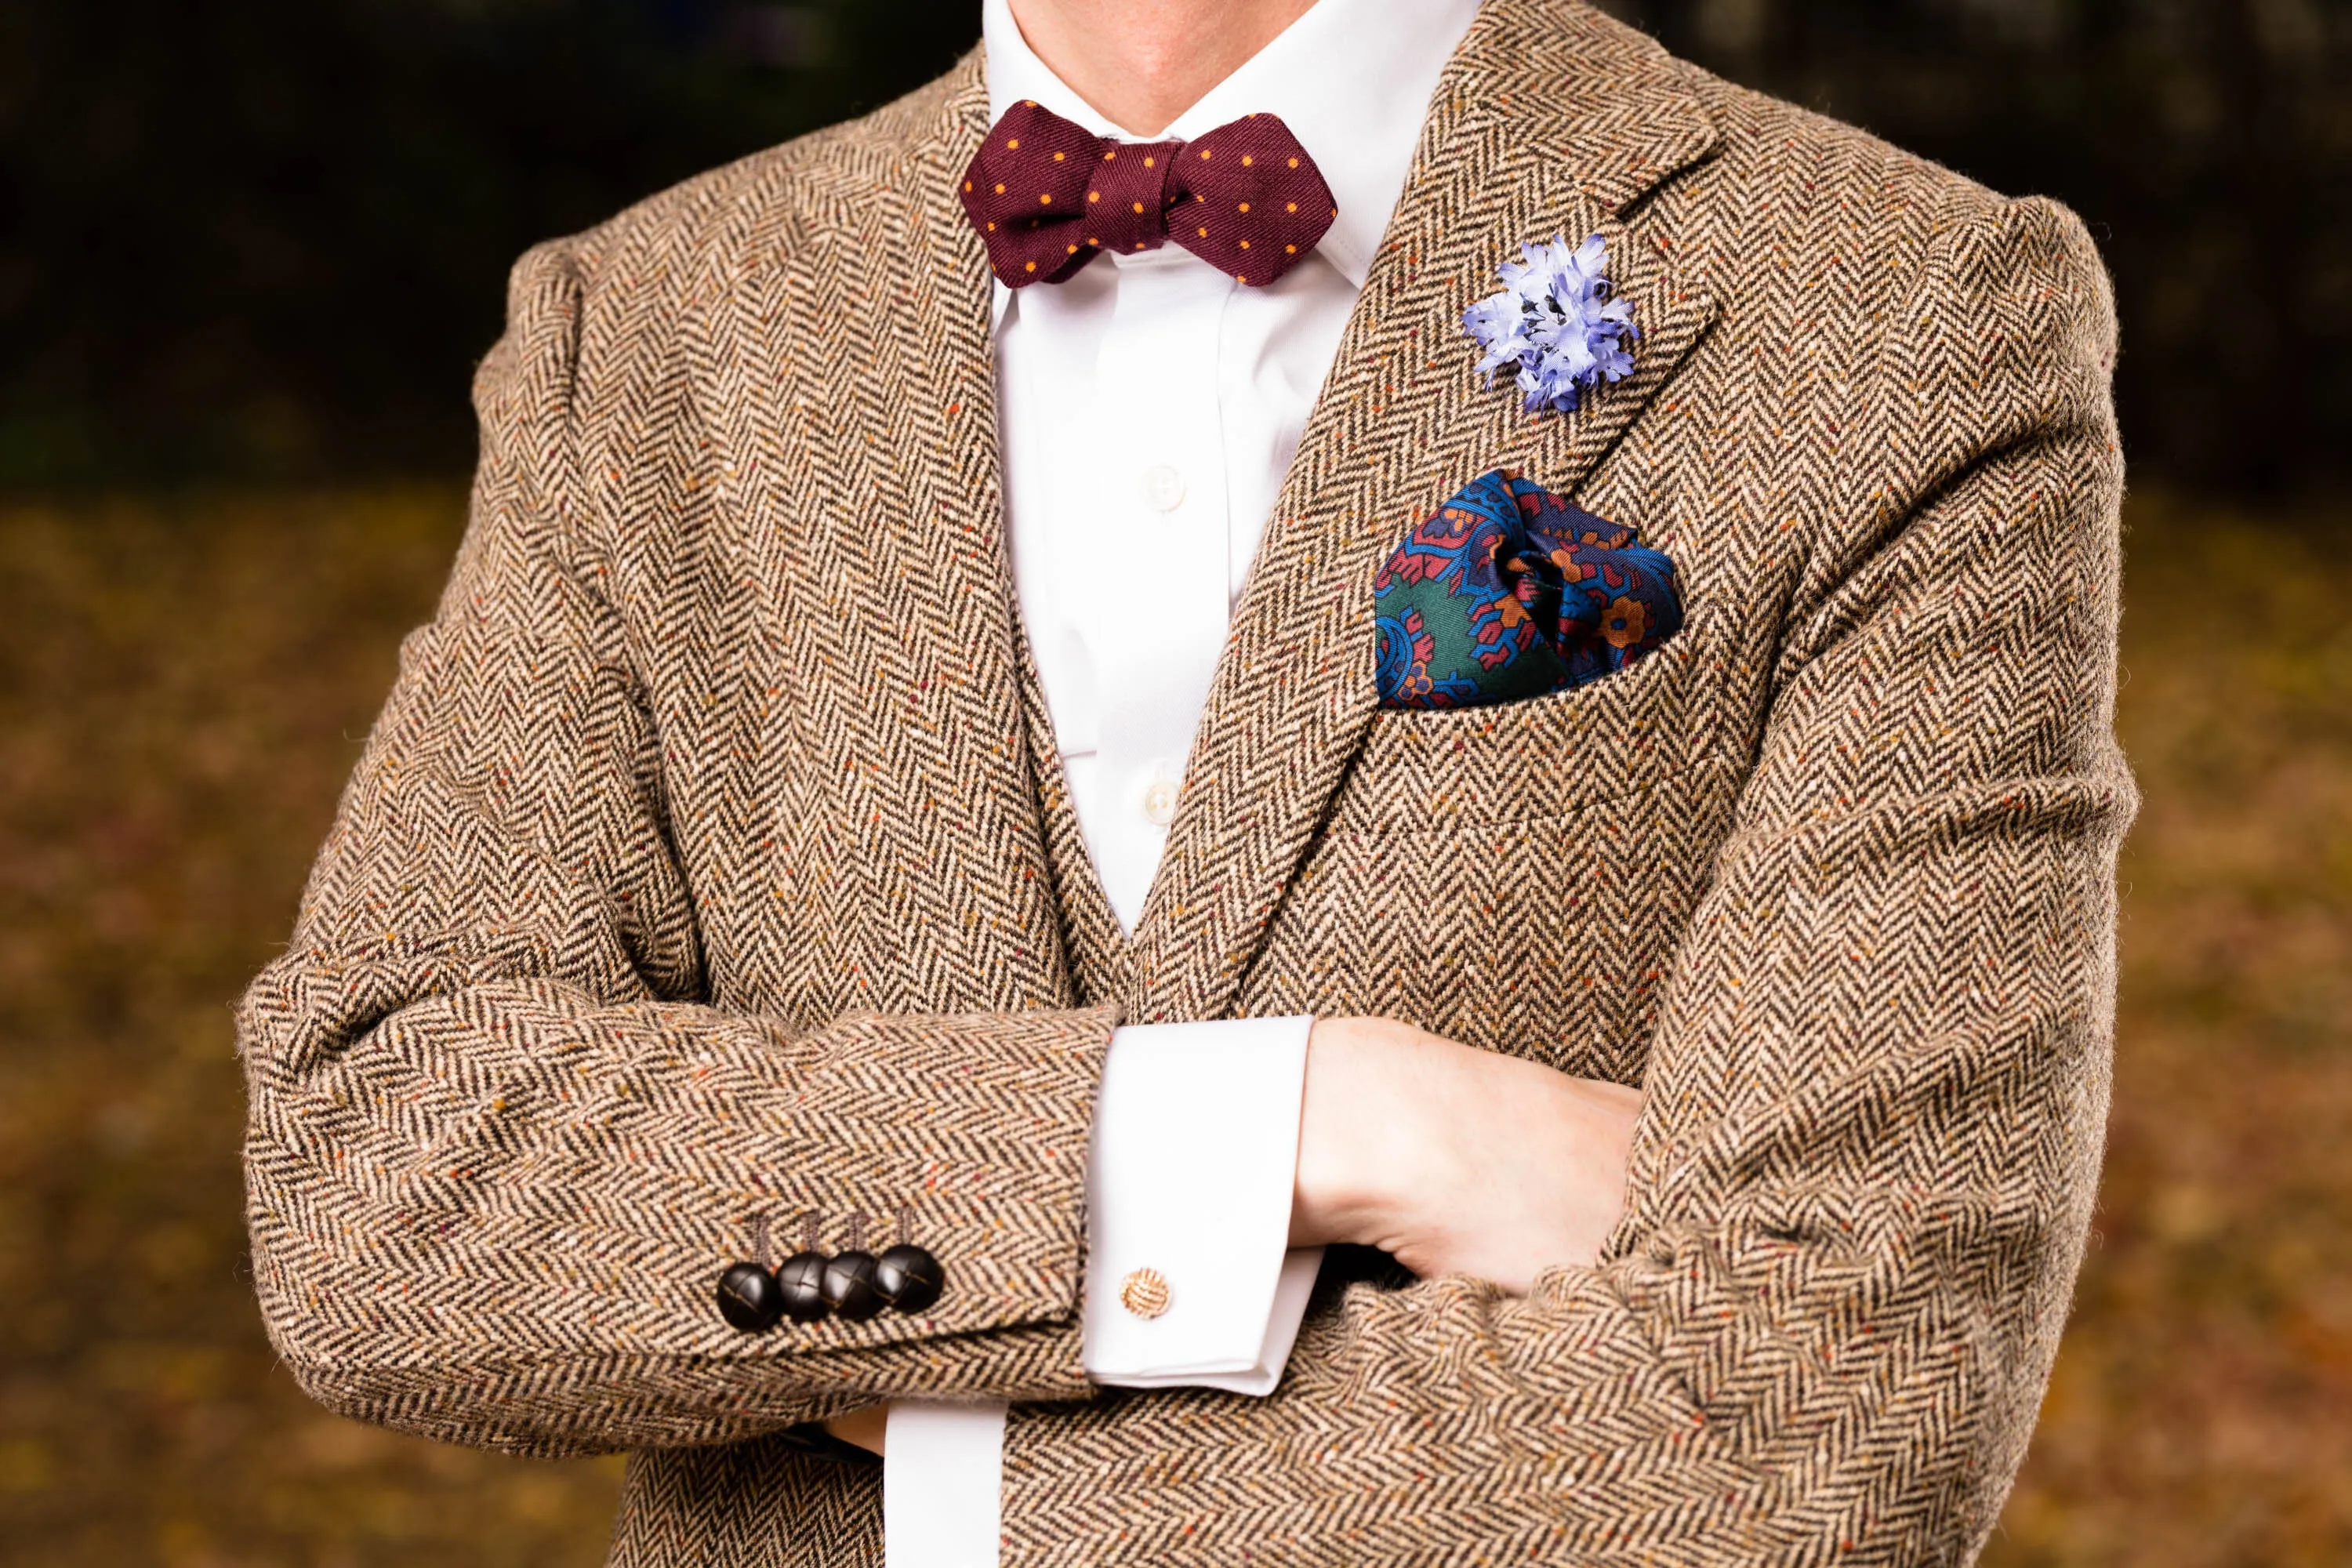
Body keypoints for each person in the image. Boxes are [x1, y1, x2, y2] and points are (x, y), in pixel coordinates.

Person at [236, 0, 2133, 1561]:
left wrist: (931, 1478)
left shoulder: (1902, 315)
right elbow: (380, 1177)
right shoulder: (649, 331)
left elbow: (1841, 1399)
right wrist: (1313, 1119)